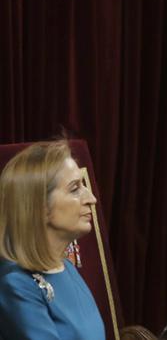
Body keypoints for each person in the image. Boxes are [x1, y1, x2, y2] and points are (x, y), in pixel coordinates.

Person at [0, 141, 105, 339]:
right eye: (75, 189)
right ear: (39, 206)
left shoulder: (66, 266)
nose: (92, 198)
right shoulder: (16, 284)